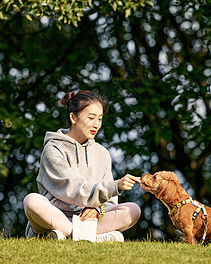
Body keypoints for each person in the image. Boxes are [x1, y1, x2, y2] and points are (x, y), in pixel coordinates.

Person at [23, 90, 141, 242]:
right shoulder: (53, 148)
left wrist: (97, 209)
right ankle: (93, 237)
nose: (96, 124)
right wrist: (115, 186)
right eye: (91, 118)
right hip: (55, 216)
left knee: (133, 210)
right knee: (32, 201)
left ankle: (65, 236)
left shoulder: (102, 153)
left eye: (100, 119)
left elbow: (109, 203)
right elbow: (72, 188)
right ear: (73, 117)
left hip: (88, 219)